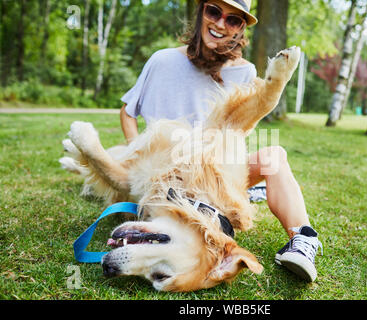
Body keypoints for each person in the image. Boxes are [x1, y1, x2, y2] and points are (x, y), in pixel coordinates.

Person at [119, 0, 322, 282]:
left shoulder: (245, 72)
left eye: (233, 20)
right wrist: (136, 154)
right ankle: (256, 193)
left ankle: (302, 240)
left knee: (274, 155)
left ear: (241, 30)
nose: (220, 24)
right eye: (214, 11)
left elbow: (238, 134)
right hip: (166, 176)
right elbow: (128, 112)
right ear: (201, 11)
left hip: (215, 173)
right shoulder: (162, 60)